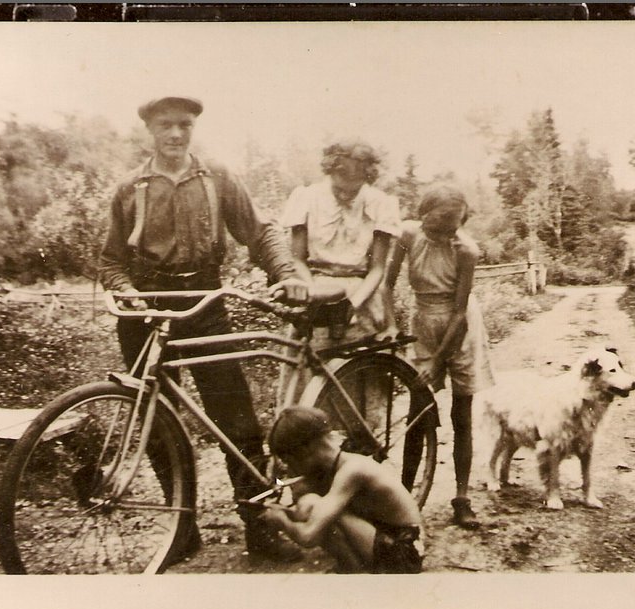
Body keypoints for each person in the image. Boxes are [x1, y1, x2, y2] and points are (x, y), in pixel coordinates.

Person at [99, 96, 309, 562]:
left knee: (235, 419)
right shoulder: (130, 188)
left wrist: (288, 276)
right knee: (153, 419)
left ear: (194, 129)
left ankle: (260, 525)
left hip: (205, 302)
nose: (175, 134)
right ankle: (182, 528)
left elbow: (260, 233)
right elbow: (111, 260)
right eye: (164, 126)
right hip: (146, 310)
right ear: (149, 130)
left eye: (184, 125)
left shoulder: (217, 178)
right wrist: (127, 290)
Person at [384, 185, 495, 529]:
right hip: (424, 321)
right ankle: (403, 497)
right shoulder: (407, 234)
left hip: (459, 327)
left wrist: (437, 362)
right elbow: (386, 285)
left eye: (456, 221)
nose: (449, 228)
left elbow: (460, 313)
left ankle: (461, 498)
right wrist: (391, 326)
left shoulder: (466, 250)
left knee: (461, 413)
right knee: (418, 411)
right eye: (443, 219)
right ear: (425, 211)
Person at [257, 406, 424, 574]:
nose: (291, 468)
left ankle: (356, 576)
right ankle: (354, 572)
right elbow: (308, 514)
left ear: (304, 450)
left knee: (321, 512)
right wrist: (282, 512)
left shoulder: (352, 471)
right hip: (393, 540)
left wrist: (282, 521)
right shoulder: (344, 463)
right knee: (310, 504)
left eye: (290, 461)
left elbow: (309, 536)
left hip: (405, 553)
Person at [281, 141, 401, 346]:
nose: (346, 195)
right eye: (339, 188)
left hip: (360, 296)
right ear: (330, 170)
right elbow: (297, 259)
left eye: (354, 190)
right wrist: (314, 295)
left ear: (367, 176)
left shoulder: (381, 203)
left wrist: (352, 305)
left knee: (358, 366)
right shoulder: (307, 197)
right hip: (315, 289)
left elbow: (377, 268)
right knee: (314, 364)